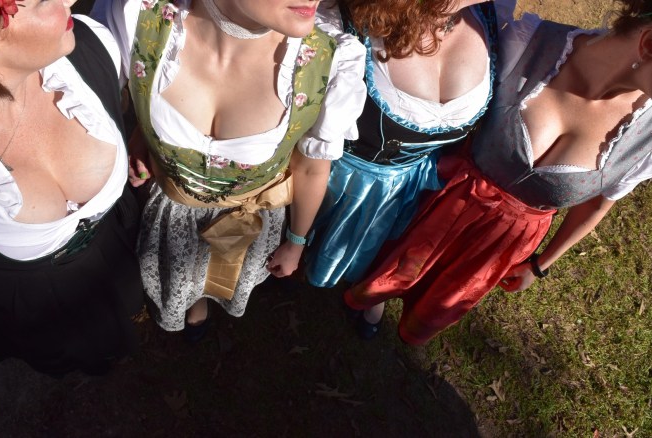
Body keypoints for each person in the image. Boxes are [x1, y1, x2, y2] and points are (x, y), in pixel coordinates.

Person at [345, 0, 652, 345]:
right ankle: (373, 301)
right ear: (648, 44)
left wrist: (540, 264)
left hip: (496, 246)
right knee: (395, 262)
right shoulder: (528, 42)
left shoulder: (647, 141)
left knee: (439, 299)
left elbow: (597, 204)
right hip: (437, 198)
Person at [91, 0, 366, 340]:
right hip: (172, 213)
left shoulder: (327, 64)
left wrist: (296, 241)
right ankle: (194, 305)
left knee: (224, 277)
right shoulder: (138, 20)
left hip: (248, 220)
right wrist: (143, 133)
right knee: (181, 276)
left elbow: (311, 170)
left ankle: (207, 300)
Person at [0, 0, 144, 375]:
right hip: (35, 309)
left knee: (128, 308)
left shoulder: (90, 47)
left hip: (117, 248)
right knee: (70, 356)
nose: (70, 0)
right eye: (44, 0)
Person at [306, 0, 498, 338]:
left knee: (382, 241)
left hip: (410, 185)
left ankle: (368, 282)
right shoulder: (348, 21)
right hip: (335, 176)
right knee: (309, 237)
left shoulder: (491, 18)